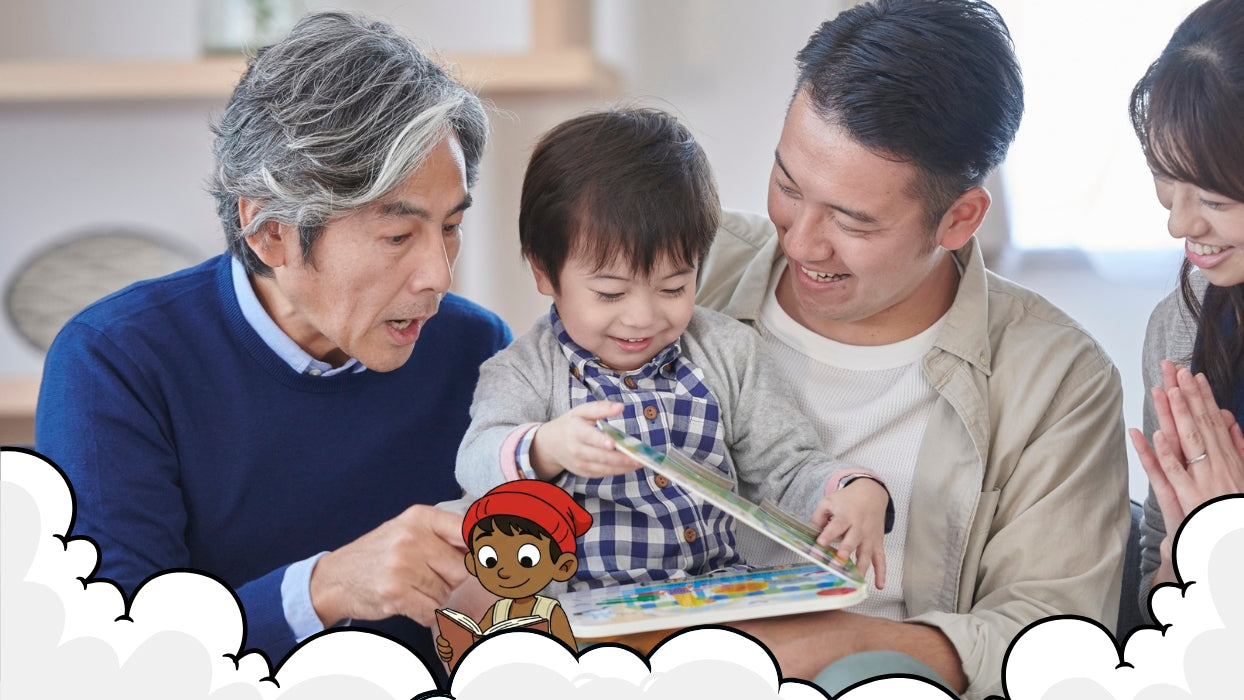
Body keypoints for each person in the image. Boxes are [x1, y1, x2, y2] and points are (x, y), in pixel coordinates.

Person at [33, 11, 510, 677]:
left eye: (450, 227)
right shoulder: (115, 360)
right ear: (271, 235)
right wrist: (326, 588)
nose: (438, 275)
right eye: (399, 236)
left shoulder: (476, 349)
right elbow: (116, 656)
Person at [694, 1, 1130, 697]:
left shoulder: (1057, 378)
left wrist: (856, 642)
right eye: (787, 185)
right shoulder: (682, 270)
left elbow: (1055, 634)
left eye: (851, 220)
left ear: (959, 218)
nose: (801, 241)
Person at [456, 108, 893, 594]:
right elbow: (474, 463)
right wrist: (545, 446)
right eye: (610, 293)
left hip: (715, 599)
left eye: (672, 288)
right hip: (588, 612)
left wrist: (853, 489)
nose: (643, 317)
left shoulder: (727, 353)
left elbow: (787, 466)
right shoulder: (523, 371)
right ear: (545, 272)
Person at [1124, 0, 1244, 614]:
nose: (1178, 224)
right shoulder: (1178, 327)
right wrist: (1181, 567)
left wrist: (1226, 539)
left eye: (1214, 200)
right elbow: (1154, 577)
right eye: (1166, 181)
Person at [436, 479, 592, 665]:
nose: (504, 571)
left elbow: (568, 652)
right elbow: (479, 635)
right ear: (473, 563)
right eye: (490, 560)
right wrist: (450, 648)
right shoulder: (498, 609)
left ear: (562, 567)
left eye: (526, 560)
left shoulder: (550, 611)